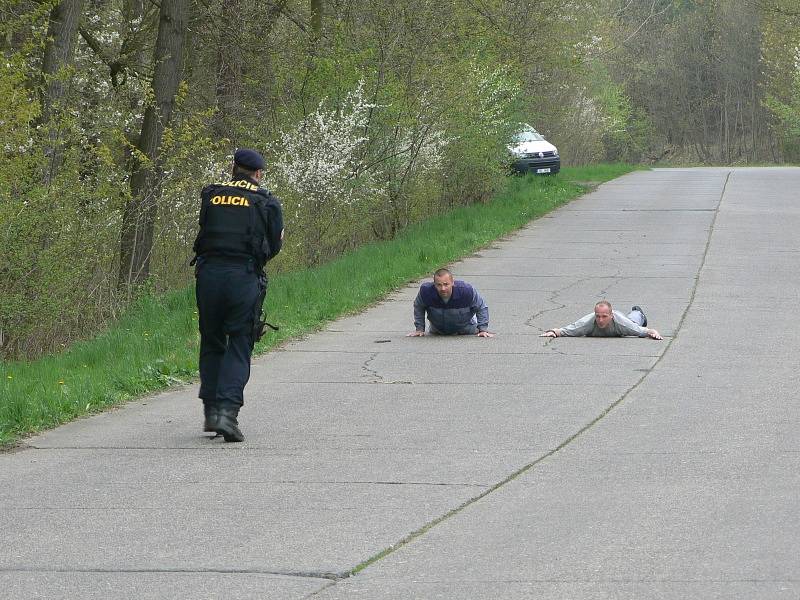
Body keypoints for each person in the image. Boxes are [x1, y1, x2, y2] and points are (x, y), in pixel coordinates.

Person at [192, 149, 284, 442]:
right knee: (240, 341)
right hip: (241, 277)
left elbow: (205, 231)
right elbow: (274, 244)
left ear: (234, 169)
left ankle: (211, 410)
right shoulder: (266, 201)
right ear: (258, 174)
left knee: (212, 339)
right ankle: (227, 413)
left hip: (208, 277)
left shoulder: (212, 195)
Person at [407, 268, 494, 337]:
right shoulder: (426, 292)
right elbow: (418, 306)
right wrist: (419, 329)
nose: (443, 288)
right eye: (439, 285)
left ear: (452, 282)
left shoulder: (466, 291)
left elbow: (481, 307)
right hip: (438, 331)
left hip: (466, 329)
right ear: (434, 284)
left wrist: (483, 330)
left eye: (446, 284)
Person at [540, 300, 662, 340]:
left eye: (604, 316)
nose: (600, 320)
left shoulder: (620, 322)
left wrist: (652, 332)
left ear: (611, 316)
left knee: (633, 321)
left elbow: (642, 331)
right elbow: (568, 330)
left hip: (624, 322)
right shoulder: (587, 322)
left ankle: (638, 312)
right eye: (598, 316)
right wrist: (554, 332)